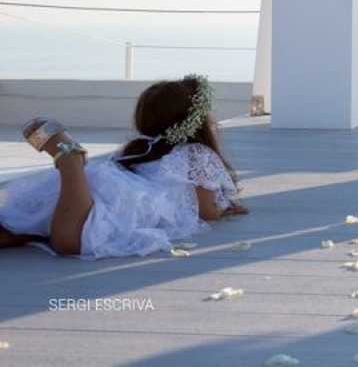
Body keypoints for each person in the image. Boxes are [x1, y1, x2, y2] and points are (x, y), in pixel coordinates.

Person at [0, 74, 247, 258]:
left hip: (102, 183)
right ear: (197, 123)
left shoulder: (137, 149)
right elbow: (206, 211)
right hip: (131, 201)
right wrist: (224, 208)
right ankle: (71, 160)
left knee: (24, 223)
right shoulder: (196, 153)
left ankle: (71, 167)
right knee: (70, 241)